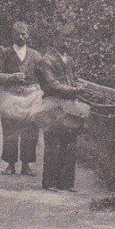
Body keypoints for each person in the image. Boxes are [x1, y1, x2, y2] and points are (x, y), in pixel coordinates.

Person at [0, 21, 43, 176]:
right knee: (9, 130)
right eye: (17, 33)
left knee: (30, 130)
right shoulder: (4, 53)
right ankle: (10, 164)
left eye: (23, 34)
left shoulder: (35, 55)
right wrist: (10, 77)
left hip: (31, 96)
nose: (20, 37)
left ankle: (26, 164)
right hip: (10, 95)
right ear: (12, 35)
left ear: (28, 35)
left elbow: (44, 74)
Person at [38, 35, 83, 191]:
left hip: (70, 104)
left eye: (67, 39)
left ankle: (67, 183)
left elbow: (74, 78)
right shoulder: (46, 60)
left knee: (70, 143)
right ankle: (50, 182)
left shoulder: (69, 60)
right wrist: (74, 90)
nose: (65, 42)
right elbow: (51, 84)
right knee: (53, 143)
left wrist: (78, 85)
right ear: (54, 40)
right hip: (53, 104)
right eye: (62, 39)